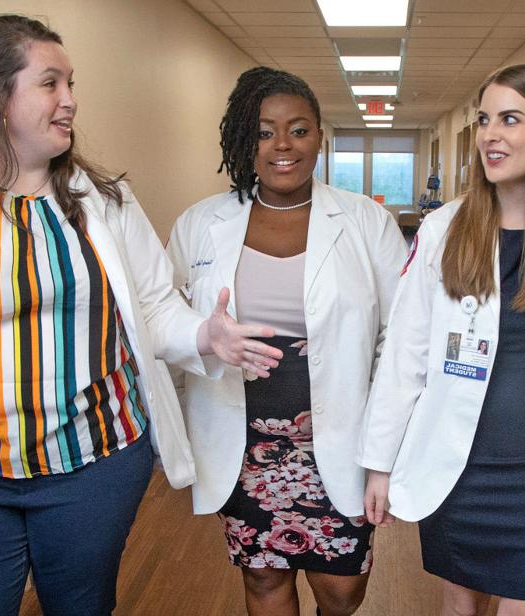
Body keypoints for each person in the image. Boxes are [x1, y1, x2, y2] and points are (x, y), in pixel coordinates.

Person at [0, 15, 279, 616]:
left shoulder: (103, 203)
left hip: (93, 464)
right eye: (50, 84)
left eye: (71, 83)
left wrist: (203, 333)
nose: (70, 101)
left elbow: (154, 306)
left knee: (82, 605)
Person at [359, 64, 525, 616]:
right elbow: (405, 357)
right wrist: (379, 464)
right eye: (485, 120)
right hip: (458, 469)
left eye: (510, 119)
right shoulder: (444, 230)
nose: (490, 135)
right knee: (459, 608)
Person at [168, 66, 407, 616]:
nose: (282, 146)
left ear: (320, 136)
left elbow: (401, 336)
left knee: (342, 589)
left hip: (343, 434)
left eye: (299, 130)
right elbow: (170, 323)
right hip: (245, 438)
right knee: (261, 579)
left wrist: (389, 444)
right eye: (264, 131)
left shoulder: (366, 221)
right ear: (241, 141)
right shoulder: (200, 223)